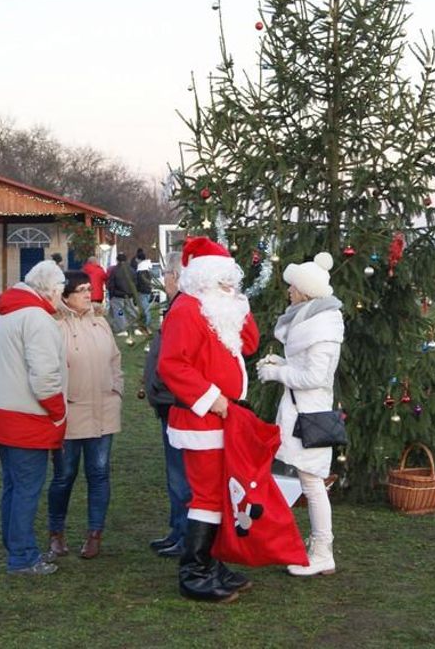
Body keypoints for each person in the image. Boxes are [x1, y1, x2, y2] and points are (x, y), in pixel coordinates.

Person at [157, 236, 260, 603]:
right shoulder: (187, 310)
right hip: (203, 419)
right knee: (206, 496)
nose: (230, 285)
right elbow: (171, 364)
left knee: (219, 494)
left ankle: (211, 564)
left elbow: (249, 345)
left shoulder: (218, 309)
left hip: (222, 417)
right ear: (204, 277)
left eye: (232, 279)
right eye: (224, 279)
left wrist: (239, 306)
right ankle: (194, 573)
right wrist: (210, 397)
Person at [257, 252, 344, 577]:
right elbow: (304, 368)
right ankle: (308, 546)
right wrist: (280, 364)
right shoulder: (310, 324)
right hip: (300, 414)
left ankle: (323, 551)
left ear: (305, 292)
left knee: (312, 483)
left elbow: (315, 378)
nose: (289, 291)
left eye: (293, 287)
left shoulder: (322, 331)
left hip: (309, 419)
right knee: (309, 482)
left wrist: (278, 375)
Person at [0, 260, 68, 575]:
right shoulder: (37, 319)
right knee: (27, 488)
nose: (62, 298)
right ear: (51, 290)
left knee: (13, 486)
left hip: (2, 413)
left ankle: (16, 546)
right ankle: (22, 556)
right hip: (27, 417)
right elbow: (45, 377)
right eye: (60, 292)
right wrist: (58, 412)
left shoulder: (9, 314)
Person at [45, 270, 123, 562]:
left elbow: (115, 359)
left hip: (103, 411)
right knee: (64, 475)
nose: (88, 294)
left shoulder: (101, 323)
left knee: (99, 474)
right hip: (70, 413)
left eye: (90, 288)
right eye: (81, 290)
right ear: (65, 296)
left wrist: (117, 390)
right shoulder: (55, 326)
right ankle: (57, 533)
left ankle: (94, 534)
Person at [141, 251, 191, 558]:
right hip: (166, 403)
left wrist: (161, 387)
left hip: (175, 404)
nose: (165, 281)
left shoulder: (183, 309)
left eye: (168, 276)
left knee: (181, 475)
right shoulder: (175, 306)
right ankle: (177, 529)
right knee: (174, 475)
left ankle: (186, 534)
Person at [106, 252, 139, 335]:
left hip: (118, 296)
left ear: (117, 260)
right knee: (131, 311)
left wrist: (111, 293)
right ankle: (137, 327)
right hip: (129, 295)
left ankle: (123, 329)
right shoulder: (131, 270)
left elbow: (111, 283)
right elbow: (135, 282)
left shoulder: (114, 270)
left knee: (120, 312)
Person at [134, 257, 155, 333]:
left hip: (142, 292)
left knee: (145, 309)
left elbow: (137, 283)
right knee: (146, 309)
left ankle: (146, 325)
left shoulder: (140, 273)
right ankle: (145, 325)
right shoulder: (148, 272)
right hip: (147, 292)